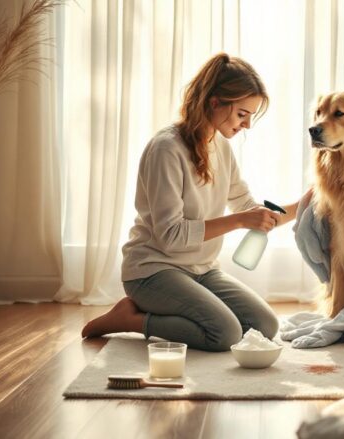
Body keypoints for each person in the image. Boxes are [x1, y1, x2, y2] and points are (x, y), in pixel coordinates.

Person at [81, 53, 300, 351]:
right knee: (223, 333)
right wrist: (239, 221)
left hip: (202, 270)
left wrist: (306, 203)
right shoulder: (166, 149)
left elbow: (248, 208)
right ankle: (129, 319)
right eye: (242, 114)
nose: (247, 124)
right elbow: (171, 237)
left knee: (264, 325)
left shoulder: (220, 146)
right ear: (215, 102)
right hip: (153, 271)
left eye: (250, 116)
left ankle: (175, 310)